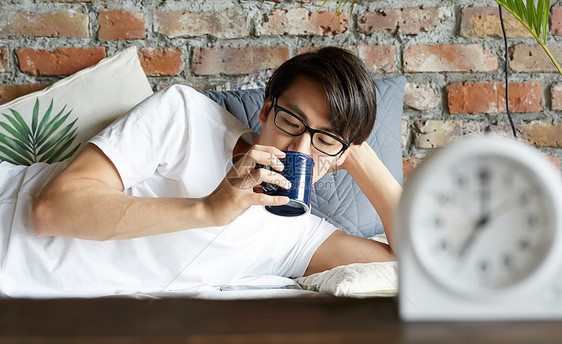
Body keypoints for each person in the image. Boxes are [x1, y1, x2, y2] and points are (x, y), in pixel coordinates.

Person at [0, 47, 402, 297]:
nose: (298, 148)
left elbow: (414, 263)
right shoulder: (186, 117)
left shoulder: (295, 237)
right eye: (291, 121)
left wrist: (358, 156)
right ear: (265, 111)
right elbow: (51, 211)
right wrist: (207, 209)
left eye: (325, 139)